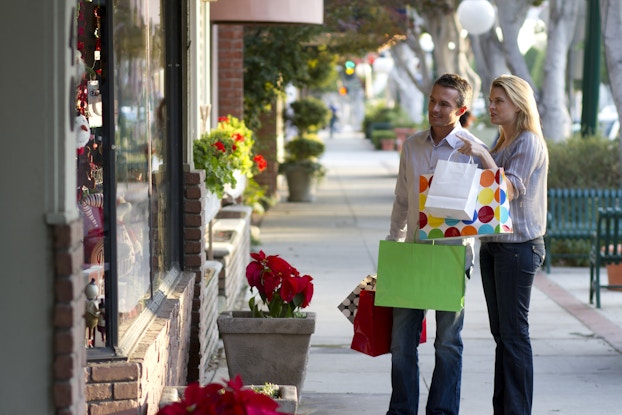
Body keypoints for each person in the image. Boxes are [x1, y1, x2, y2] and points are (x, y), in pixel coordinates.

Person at [385, 73, 486, 415]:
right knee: (401, 342)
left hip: (451, 256)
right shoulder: (412, 145)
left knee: (447, 343)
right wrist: (394, 242)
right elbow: (402, 199)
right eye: (432, 100)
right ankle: (401, 410)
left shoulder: (472, 149)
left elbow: (491, 205)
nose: (435, 109)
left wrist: (485, 157)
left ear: (461, 109)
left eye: (445, 104)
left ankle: (442, 411)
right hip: (411, 253)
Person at [457, 74, 548, 415]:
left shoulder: (528, 142)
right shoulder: (502, 141)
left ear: (518, 104)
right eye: (490, 100)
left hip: (519, 248)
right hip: (494, 246)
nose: (491, 106)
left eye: (499, 101)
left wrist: (482, 154)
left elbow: (507, 190)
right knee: (503, 336)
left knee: (513, 335)